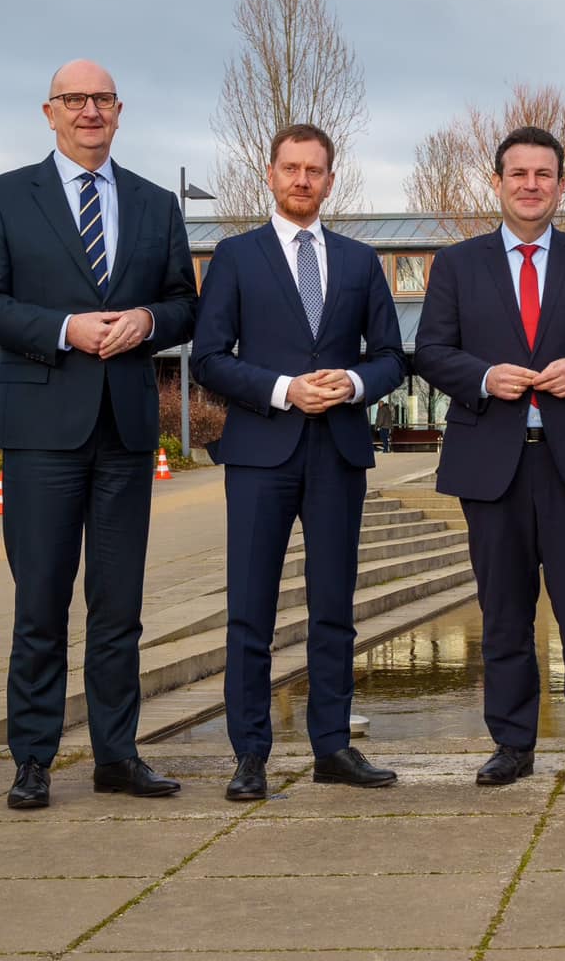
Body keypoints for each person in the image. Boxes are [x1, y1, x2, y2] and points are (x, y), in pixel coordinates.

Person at [0, 60, 200, 809]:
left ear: (119, 111)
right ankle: (32, 760)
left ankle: (117, 757)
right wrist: (63, 327)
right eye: (74, 99)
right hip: (39, 428)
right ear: (49, 112)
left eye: (102, 99)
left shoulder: (155, 205)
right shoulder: (3, 197)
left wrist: (150, 322)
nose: (89, 110)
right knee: (40, 604)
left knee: (119, 606)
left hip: (125, 430)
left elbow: (186, 305)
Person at [413, 126, 565, 786]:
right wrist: (485, 378)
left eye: (544, 174)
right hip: (493, 464)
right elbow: (431, 351)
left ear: (561, 185)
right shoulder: (456, 265)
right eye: (518, 174)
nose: (531, 185)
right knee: (505, 611)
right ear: (498, 182)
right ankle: (512, 745)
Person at [191, 123, 407, 799]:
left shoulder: (359, 261)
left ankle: (333, 747)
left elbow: (393, 356)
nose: (303, 179)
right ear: (271, 172)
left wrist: (356, 383)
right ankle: (250, 754)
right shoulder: (235, 256)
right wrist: (285, 390)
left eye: (315, 169)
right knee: (250, 609)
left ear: (330, 179)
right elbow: (209, 359)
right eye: (291, 168)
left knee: (334, 607)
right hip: (261, 451)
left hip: (338, 451)